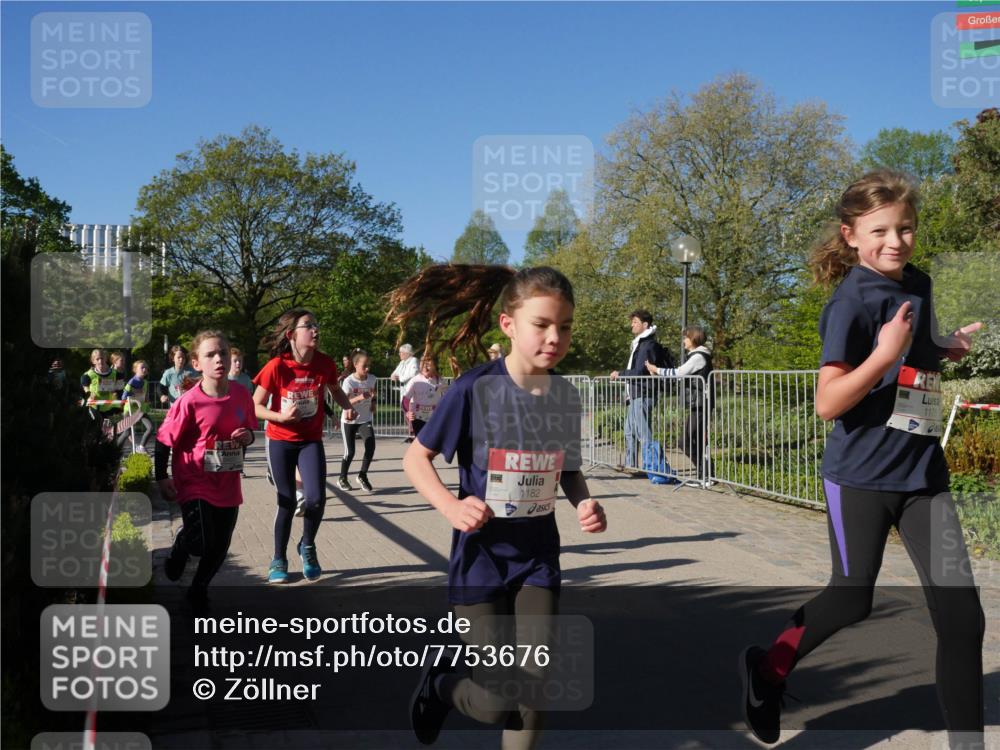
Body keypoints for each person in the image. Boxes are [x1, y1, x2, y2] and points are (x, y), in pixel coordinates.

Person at [739, 171, 985, 748]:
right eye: (880, 231)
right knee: (851, 599)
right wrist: (882, 355)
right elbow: (828, 402)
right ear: (851, 235)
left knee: (963, 620)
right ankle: (767, 669)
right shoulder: (849, 303)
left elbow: (912, 356)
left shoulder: (918, 283)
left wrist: (939, 344)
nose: (895, 241)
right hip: (861, 479)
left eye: (905, 228)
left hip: (925, 475)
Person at [390, 264, 608, 749]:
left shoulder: (564, 395)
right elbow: (415, 458)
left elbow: (566, 466)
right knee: (495, 703)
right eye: (542, 324)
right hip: (480, 560)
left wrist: (584, 501)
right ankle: (441, 686)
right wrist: (450, 506)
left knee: (535, 687)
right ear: (508, 325)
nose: (555, 337)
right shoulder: (474, 388)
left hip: (537, 560)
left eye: (565, 327)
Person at [252, 310, 356, 583]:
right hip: (281, 440)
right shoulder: (277, 366)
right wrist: (280, 417)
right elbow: (255, 406)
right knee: (286, 500)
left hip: (310, 440)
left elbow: (334, 389)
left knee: (316, 499)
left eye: (316, 325)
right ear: (291, 335)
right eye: (308, 326)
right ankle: (278, 558)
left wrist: (346, 408)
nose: (316, 330)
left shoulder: (324, 363)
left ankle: (307, 545)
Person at [155, 331, 257, 603]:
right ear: (196, 363)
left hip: (227, 480)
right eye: (210, 354)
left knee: (220, 545)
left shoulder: (241, 394)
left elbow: (249, 432)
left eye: (223, 352)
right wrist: (161, 477)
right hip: (194, 478)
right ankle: (181, 545)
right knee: (199, 542)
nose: (219, 359)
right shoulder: (189, 401)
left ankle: (198, 590)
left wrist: (247, 436)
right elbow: (164, 439)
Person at [609, 310, 674, 470]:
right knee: (629, 431)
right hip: (635, 393)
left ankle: (651, 466)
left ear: (645, 325)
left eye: (635, 322)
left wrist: (620, 374)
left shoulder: (648, 345)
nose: (632, 324)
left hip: (643, 392)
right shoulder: (639, 343)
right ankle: (632, 465)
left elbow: (641, 371)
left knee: (643, 432)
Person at [646, 325, 713, 480]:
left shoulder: (698, 357)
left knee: (686, 441)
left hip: (701, 403)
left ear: (693, 338)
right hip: (699, 403)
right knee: (691, 440)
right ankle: (705, 475)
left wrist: (657, 370)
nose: (683, 340)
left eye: (685, 337)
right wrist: (658, 373)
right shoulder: (697, 355)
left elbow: (679, 372)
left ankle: (707, 475)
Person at [339, 349, 378, 493]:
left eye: (369, 366)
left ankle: (362, 475)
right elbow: (344, 401)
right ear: (355, 364)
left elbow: (373, 393)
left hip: (365, 419)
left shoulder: (372, 379)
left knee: (371, 445)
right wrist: (361, 397)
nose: (367, 369)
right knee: (350, 452)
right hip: (349, 420)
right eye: (364, 366)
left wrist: (373, 402)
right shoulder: (349, 381)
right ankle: (342, 478)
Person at [402, 356, 446, 437]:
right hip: (418, 418)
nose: (425, 368)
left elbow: (447, 396)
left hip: (434, 417)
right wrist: (408, 412)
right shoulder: (415, 381)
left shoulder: (440, 380)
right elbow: (405, 399)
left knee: (433, 443)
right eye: (423, 365)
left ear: (434, 366)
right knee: (420, 443)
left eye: (428, 365)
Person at [122, 359, 156, 453]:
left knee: (150, 428)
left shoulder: (145, 382)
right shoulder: (131, 382)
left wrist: (147, 401)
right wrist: (133, 398)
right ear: (135, 369)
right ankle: (115, 448)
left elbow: (145, 395)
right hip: (129, 410)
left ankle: (141, 447)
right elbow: (124, 397)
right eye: (142, 367)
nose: (144, 369)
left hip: (141, 411)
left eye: (146, 367)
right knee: (127, 433)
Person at [81, 349, 123, 417]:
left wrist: (117, 393)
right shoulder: (89, 375)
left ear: (106, 358)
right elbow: (84, 385)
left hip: (110, 408)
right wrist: (89, 395)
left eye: (102, 358)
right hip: (95, 408)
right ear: (93, 361)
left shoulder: (115, 374)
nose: (100, 361)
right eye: (97, 359)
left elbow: (120, 389)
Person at [392, 343, 420, 440]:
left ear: (406, 353)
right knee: (405, 411)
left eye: (401, 352)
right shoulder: (402, 362)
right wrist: (393, 376)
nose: (399, 354)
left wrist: (401, 378)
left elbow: (413, 373)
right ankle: (411, 433)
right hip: (403, 392)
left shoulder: (414, 360)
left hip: (412, 390)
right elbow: (394, 373)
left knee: (411, 412)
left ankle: (414, 434)